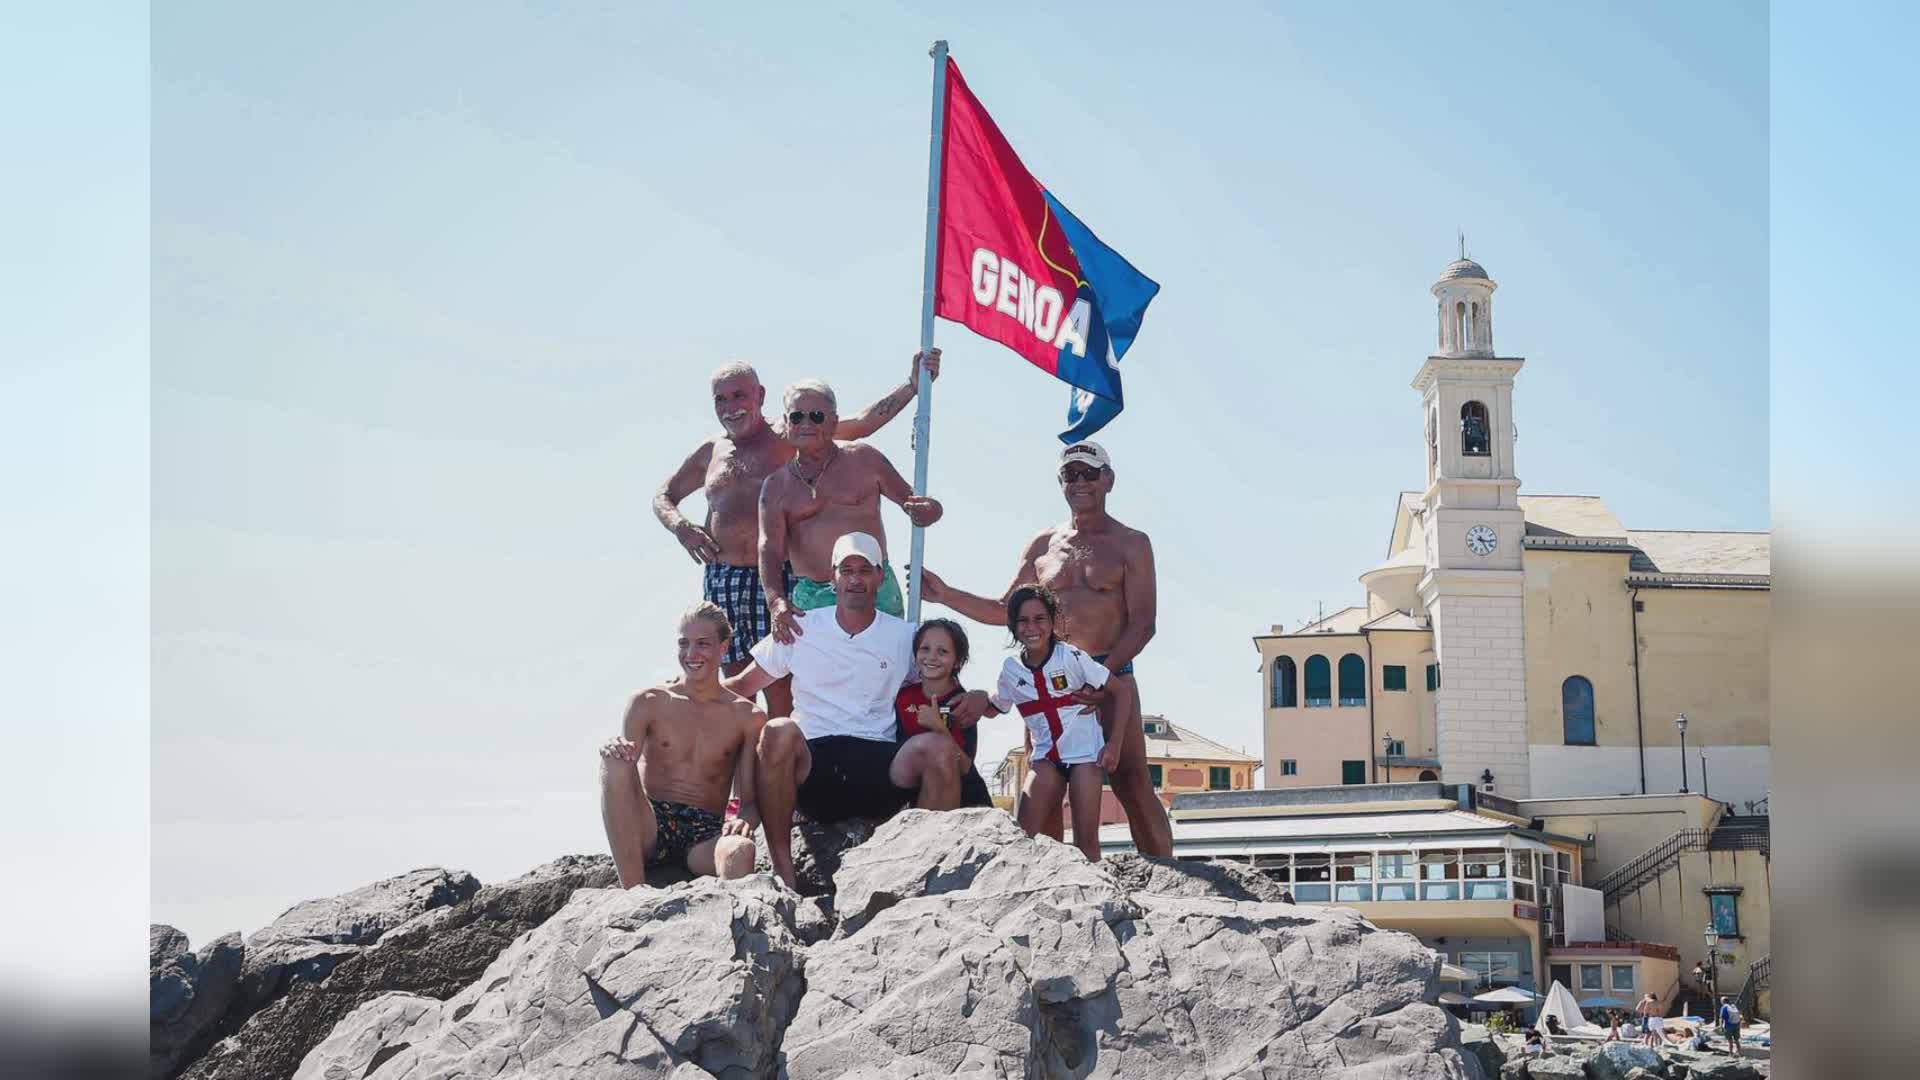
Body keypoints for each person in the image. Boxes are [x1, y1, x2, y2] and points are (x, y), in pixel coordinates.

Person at [915, 440, 1173, 857]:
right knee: (1046, 776)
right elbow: (1007, 610)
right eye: (1071, 475)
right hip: (1046, 680)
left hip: (1108, 671)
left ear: (1108, 479)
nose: (1080, 482)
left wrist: (1103, 680)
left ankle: (1166, 877)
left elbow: (1144, 623)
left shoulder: (1131, 543)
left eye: (1089, 473)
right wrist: (945, 594)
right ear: (1061, 483)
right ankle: (1050, 879)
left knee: (1130, 778)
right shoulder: (1043, 546)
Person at [653, 352, 939, 718]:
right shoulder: (711, 452)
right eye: (721, 399)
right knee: (735, 684)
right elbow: (663, 496)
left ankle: (787, 754)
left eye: (739, 395)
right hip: (723, 577)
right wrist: (681, 527)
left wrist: (913, 386)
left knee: (781, 684)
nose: (731, 406)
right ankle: (743, 771)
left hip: (777, 577)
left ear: (760, 395)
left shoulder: (793, 432)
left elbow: (865, 423)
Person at [723, 532, 987, 889]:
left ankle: (927, 878)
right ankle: (784, 876)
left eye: (866, 570)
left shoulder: (903, 636)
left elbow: (941, 679)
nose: (856, 579)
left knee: (938, 750)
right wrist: (679, 692)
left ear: (881, 577)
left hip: (881, 766)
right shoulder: (799, 627)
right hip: (812, 768)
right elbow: (740, 687)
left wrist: (981, 696)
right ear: (833, 577)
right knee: (777, 730)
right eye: (846, 570)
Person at [598, 602, 763, 887]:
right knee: (612, 759)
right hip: (650, 825)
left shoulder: (747, 717)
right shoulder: (647, 702)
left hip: (704, 834)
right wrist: (613, 747)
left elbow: (749, 803)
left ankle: (733, 924)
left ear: (724, 647)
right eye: (684, 643)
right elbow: (622, 781)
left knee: (741, 850)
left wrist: (743, 823)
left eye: (702, 644)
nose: (691, 654)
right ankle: (634, 899)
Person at [978, 586, 1128, 862]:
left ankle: (1095, 901)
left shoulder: (1070, 657)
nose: (1031, 627)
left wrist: (1114, 746)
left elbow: (1121, 692)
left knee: (1086, 842)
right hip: (1047, 757)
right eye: (1022, 620)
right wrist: (971, 701)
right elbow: (996, 706)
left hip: (1085, 757)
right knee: (1025, 835)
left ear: (1052, 621)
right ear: (1012, 625)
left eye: (1039, 619)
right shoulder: (1011, 670)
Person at [893, 618, 995, 809]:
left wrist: (940, 728)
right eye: (925, 649)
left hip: (965, 805)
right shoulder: (902, 696)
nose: (932, 657)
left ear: (957, 661)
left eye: (943, 651)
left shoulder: (962, 703)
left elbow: (965, 767)